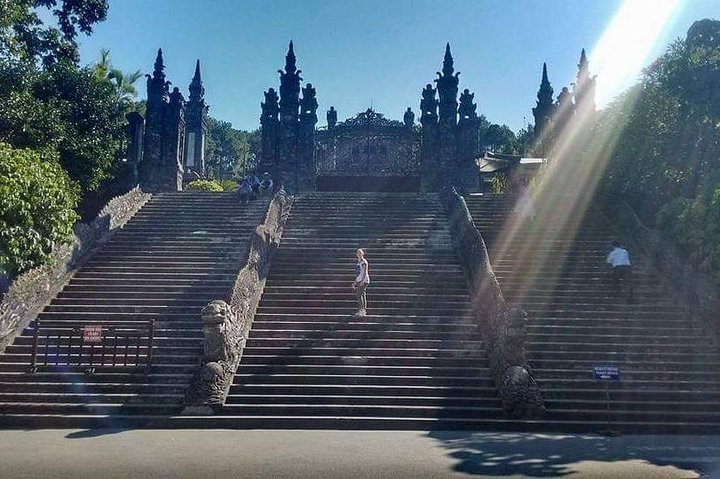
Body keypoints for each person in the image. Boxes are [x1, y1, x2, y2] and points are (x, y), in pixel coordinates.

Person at [352, 248, 370, 317]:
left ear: (362, 254)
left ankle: (362, 310)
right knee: (362, 294)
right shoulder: (358, 263)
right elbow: (359, 274)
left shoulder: (364, 262)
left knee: (359, 294)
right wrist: (355, 282)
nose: (358, 255)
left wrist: (362, 281)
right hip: (360, 280)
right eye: (357, 253)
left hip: (364, 280)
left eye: (360, 253)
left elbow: (364, 272)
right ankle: (363, 310)